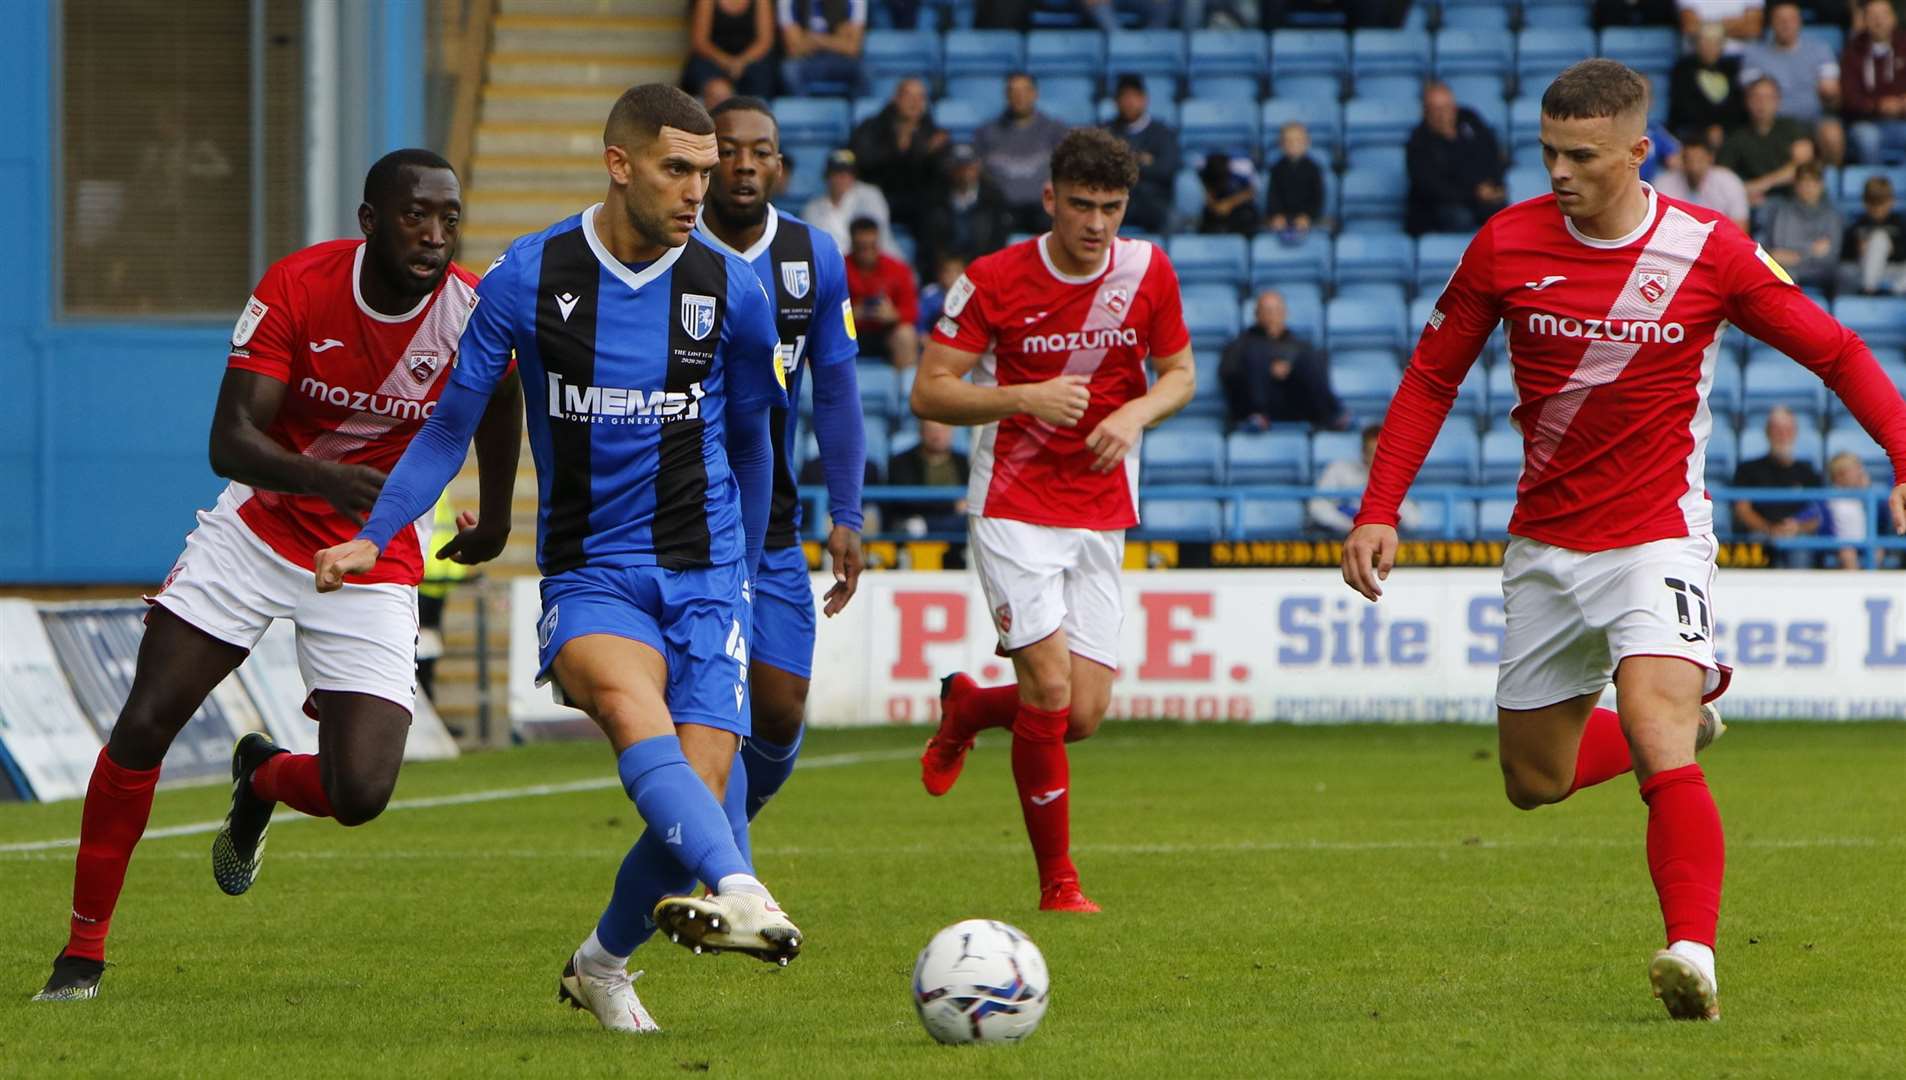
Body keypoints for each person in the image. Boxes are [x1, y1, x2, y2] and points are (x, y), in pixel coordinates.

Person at [1340, 59, 1906, 1022]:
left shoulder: (1710, 251)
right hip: (1548, 547)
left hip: (1659, 537)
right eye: (1550, 151)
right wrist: (1378, 505)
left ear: (1640, 153)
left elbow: (1838, 351)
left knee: (1655, 735)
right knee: (1532, 781)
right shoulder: (1504, 243)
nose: (1559, 171)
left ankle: (1693, 952)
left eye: (1583, 155)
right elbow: (1432, 378)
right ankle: (1695, 726)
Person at [314, 85, 802, 1033]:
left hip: (707, 571)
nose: (698, 191)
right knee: (628, 709)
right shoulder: (527, 278)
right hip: (592, 569)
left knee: (697, 800)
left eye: (705, 172)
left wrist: (742, 572)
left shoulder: (729, 288)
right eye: (678, 169)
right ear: (619, 165)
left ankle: (600, 965)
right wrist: (377, 535)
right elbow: (450, 423)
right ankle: (747, 892)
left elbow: (753, 436)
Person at [31, 150, 524, 1003]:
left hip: (373, 553)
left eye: (449, 219)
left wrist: (503, 520)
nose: (436, 237)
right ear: (370, 220)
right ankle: (82, 954)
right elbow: (230, 441)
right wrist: (329, 478)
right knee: (145, 724)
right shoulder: (297, 287)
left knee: (360, 792)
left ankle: (260, 776)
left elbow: (504, 398)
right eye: (416, 216)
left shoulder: (472, 310)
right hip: (259, 533)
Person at [912, 129, 1196, 914]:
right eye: (1081, 205)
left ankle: (970, 707)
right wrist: (1021, 397)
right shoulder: (994, 279)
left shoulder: (1147, 271)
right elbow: (930, 391)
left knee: (1083, 713)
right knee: (1045, 685)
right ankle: (1058, 884)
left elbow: (1180, 373)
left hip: (1101, 507)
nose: (1096, 223)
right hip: (1013, 505)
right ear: (1050, 200)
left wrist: (1137, 412)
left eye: (1110, 208)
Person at [696, 97, 867, 827]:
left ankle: (708, 830)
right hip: (682, 520)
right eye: (726, 149)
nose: (742, 163)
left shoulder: (813, 256)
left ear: (778, 164)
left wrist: (849, 513)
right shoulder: (667, 251)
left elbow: (835, 390)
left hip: (772, 520)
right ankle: (727, 869)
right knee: (716, 709)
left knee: (779, 707)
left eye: (758, 150)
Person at [1218, 289, 1347, 432]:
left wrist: (1289, 369)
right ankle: (1258, 415)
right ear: (1257, 315)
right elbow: (1228, 374)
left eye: (1277, 310)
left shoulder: (1300, 345)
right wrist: (1266, 369)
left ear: (1285, 313)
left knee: (1313, 358)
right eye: (1267, 311)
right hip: (1255, 407)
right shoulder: (1241, 344)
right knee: (1253, 356)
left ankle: (1333, 415)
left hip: (1293, 402)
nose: (1273, 316)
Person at [1739, 0, 1846, 165]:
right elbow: (1753, 97)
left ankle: (1827, 184)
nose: (1786, 25)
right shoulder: (1754, 55)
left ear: (1799, 22)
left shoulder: (1820, 50)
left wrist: (1830, 93)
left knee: (1832, 134)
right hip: (1772, 123)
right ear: (1771, 23)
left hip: (1813, 120)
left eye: (1791, 19)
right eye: (1780, 20)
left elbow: (1833, 94)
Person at [849, 77, 949, 239]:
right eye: (909, 97)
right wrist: (898, 150)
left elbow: (941, 174)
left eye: (920, 97)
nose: (915, 103)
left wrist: (928, 154)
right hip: (879, 193)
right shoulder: (872, 127)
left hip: (917, 199)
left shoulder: (934, 134)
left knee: (937, 212)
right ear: (896, 98)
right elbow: (861, 161)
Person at [974, 72, 1072, 235]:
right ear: (1006, 95)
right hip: (1002, 207)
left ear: (1035, 94)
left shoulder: (1055, 130)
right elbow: (976, 169)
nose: (1019, 96)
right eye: (1013, 91)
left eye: (1025, 91)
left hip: (1042, 208)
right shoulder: (987, 132)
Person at [1405, 82, 1507, 236]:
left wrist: (1494, 185)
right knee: (1461, 218)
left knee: (1504, 215)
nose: (1443, 115)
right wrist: (1475, 193)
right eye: (1436, 110)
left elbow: (1492, 154)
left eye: (1447, 108)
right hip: (1438, 208)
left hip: (1479, 200)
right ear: (1425, 112)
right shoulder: (1418, 143)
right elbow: (1431, 187)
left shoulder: (1471, 121)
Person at [1732, 405, 1826, 555]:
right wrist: (1769, 529)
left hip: (1797, 537)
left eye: (1788, 430)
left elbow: (1818, 514)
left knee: (1801, 548)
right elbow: (1742, 509)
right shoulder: (1747, 469)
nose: (1783, 435)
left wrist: (1798, 527)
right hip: (1759, 535)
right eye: (1777, 429)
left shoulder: (1809, 472)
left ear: (1795, 433)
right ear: (1767, 432)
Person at [1101, 73, 1180, 234]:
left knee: (1173, 219)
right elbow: (1101, 169)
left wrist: (1123, 162)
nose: (1130, 102)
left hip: (1153, 200)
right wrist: (1141, 160)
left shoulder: (1162, 132)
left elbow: (1166, 170)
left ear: (1145, 99)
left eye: (1135, 96)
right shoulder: (1105, 131)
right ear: (1116, 101)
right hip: (1115, 198)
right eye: (1124, 97)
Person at [1307, 424, 1421, 535]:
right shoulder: (1338, 470)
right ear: (1363, 452)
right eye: (1373, 453)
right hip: (1339, 537)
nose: (1379, 459)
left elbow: (1413, 521)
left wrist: (1388, 484)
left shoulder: (1398, 477)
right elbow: (1316, 507)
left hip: (1380, 540)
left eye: (1384, 454)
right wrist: (1351, 526)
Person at [1717, 77, 1815, 205]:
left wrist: (1760, 185)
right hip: (1754, 203)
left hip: (1793, 199)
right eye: (1756, 97)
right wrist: (1744, 195)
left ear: (1778, 101)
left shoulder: (1791, 128)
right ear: (1747, 101)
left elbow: (1802, 166)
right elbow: (1721, 179)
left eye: (1768, 98)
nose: (1762, 103)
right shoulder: (1736, 136)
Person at [919, 144, 1013, 276]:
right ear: (950, 169)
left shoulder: (993, 199)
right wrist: (948, 266)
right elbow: (930, 241)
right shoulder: (934, 200)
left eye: (969, 166)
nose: (965, 172)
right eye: (959, 167)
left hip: (984, 269)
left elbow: (997, 240)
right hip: (946, 271)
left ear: (978, 167)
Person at [845, 216, 921, 369]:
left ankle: (905, 391)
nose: (867, 253)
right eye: (862, 247)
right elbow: (823, 312)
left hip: (885, 333)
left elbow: (912, 312)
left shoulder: (898, 269)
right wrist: (848, 315)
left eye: (872, 246)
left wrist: (893, 315)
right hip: (848, 334)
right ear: (852, 244)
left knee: (906, 335)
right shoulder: (837, 269)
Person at [1757, 159, 1841, 288]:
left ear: (1821, 185)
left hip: (1825, 275)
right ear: (1796, 185)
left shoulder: (1832, 215)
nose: (1808, 187)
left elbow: (1830, 257)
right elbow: (1779, 252)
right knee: (1784, 275)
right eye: (1803, 182)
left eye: (1813, 182)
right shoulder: (1783, 212)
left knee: (1844, 274)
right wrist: (1812, 251)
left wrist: (1797, 255)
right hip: (1789, 272)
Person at [1841, 0, 1906, 163]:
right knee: (1868, 138)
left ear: (1894, 18)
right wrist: (1878, 106)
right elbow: (1848, 97)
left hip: (1901, 120)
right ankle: (1876, 186)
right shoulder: (1852, 50)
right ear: (1864, 20)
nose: (1879, 21)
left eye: (1884, 15)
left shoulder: (1904, 45)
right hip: (1865, 122)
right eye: (1873, 16)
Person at [801, 148, 895, 256]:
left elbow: (877, 238)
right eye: (836, 172)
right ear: (827, 176)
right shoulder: (813, 209)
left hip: (864, 264)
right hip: (829, 266)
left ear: (854, 176)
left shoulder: (870, 197)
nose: (842, 177)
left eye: (847, 173)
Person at [885, 419, 971, 535]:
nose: (937, 435)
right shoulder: (901, 462)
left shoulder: (963, 461)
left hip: (956, 525)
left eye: (943, 430)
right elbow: (908, 500)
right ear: (921, 431)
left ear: (952, 432)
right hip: (915, 525)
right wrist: (952, 505)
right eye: (931, 430)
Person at [1669, 23, 1746, 149]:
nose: (1709, 47)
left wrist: (1721, 127)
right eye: (1705, 41)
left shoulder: (1731, 68)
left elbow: (1736, 105)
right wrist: (1708, 127)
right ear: (1696, 44)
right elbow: (1683, 106)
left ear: (1722, 45)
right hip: (1693, 130)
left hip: (1726, 130)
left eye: (1715, 42)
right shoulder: (1683, 69)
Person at [1654, 135, 1751, 229]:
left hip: (1719, 241)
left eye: (1700, 160)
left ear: (1711, 158)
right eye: (1690, 160)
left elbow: (1740, 226)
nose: (1694, 167)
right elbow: (1658, 225)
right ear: (1682, 160)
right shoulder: (1663, 183)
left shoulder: (1730, 182)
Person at [683, 0, 776, 99]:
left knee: (760, 83)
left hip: (752, 61)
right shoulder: (706, 2)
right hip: (712, 59)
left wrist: (741, 62)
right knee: (717, 90)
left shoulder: (761, 2)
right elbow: (700, 42)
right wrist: (727, 62)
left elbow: (765, 41)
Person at [776, 0, 866, 94]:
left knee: (864, 70)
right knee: (789, 70)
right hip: (806, 60)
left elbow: (853, 48)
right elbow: (793, 49)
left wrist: (814, 39)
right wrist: (837, 40)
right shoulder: (787, 2)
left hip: (842, 60)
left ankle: (860, 108)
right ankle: (801, 107)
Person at [1839, 173, 1906, 293]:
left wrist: (1892, 249)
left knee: (1880, 239)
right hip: (1862, 270)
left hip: (1892, 271)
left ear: (1891, 201)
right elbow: (1844, 256)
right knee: (1877, 240)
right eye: (1873, 203)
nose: (1878, 208)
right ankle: (1869, 289)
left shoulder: (1900, 225)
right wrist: (1858, 249)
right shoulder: (1858, 226)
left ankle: (1889, 295)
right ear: (1865, 203)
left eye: (1882, 203)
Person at [1266, 122, 1325, 234]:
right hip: (1282, 217)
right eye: (1288, 141)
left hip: (1306, 217)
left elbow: (1317, 197)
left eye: (1298, 141)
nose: (1293, 144)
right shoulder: (1276, 168)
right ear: (1281, 145)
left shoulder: (1314, 169)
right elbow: (1273, 196)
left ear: (1306, 143)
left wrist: (1308, 216)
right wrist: (1276, 215)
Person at [1822, 449, 1873, 569]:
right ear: (1839, 476)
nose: (1860, 473)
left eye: (1859, 469)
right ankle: (1856, 585)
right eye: (1854, 470)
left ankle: (1870, 582)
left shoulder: (1863, 496)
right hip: (1840, 544)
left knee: (1877, 550)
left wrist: (1866, 489)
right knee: (1848, 555)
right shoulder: (1832, 496)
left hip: (1863, 542)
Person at [1198, 151, 1260, 236]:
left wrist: (1229, 203)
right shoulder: (1206, 173)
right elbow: (1207, 193)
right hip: (1216, 209)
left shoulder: (1239, 174)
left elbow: (1251, 192)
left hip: (1238, 210)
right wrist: (1216, 206)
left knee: (1246, 217)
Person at [1677, 0, 1764, 41]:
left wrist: (1707, 26)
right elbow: (1690, 27)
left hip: (1742, 56)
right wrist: (1737, 24)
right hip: (1700, 57)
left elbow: (1752, 29)